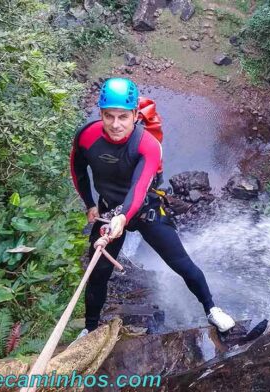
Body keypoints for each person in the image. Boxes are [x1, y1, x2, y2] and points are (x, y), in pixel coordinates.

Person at [69, 77, 235, 340]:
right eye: (108, 116)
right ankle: (89, 327)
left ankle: (212, 309)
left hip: (145, 210)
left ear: (135, 115)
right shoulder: (87, 137)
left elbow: (139, 185)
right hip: (109, 211)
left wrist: (123, 216)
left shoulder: (147, 144)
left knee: (182, 263)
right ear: (100, 113)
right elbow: (78, 170)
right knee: (98, 272)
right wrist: (90, 203)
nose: (115, 124)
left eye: (123, 116)